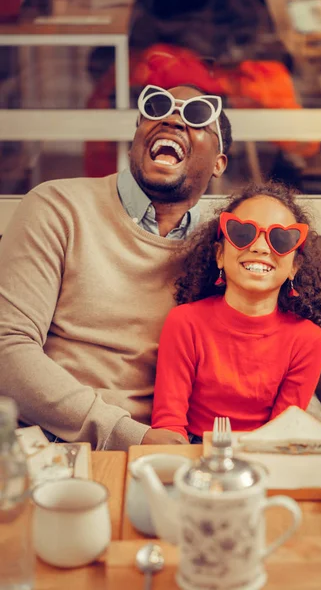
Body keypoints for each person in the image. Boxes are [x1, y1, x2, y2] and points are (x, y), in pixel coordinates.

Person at [0, 84, 231, 449]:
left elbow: (269, 345)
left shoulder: (222, 249)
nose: (172, 118)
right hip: (49, 440)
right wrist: (130, 437)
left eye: (197, 115)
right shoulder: (58, 207)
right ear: (135, 140)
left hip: (168, 447)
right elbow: (7, 349)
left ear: (219, 162)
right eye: (157, 108)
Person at [152, 183, 321, 442]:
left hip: (266, 452)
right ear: (219, 255)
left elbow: (281, 433)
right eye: (242, 233)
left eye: (280, 239)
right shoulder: (184, 322)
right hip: (192, 448)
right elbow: (169, 424)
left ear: (294, 266)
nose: (260, 248)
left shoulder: (308, 339)